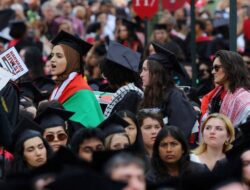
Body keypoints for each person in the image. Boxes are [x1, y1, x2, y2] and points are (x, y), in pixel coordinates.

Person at [140, 41, 197, 139]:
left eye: (145, 70)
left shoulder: (175, 97)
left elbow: (179, 133)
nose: (141, 74)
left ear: (156, 73)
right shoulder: (151, 94)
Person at [49, 30, 104, 127]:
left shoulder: (82, 93)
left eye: (59, 56)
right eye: (52, 55)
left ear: (72, 61)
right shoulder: (60, 87)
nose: (52, 59)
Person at [201, 50, 250, 127]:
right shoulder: (214, 96)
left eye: (216, 68)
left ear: (230, 68)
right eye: (212, 68)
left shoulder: (244, 99)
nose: (213, 72)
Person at [101, 41, 143, 117]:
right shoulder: (125, 93)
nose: (106, 79)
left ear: (114, 74)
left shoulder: (132, 96)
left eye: (106, 74)